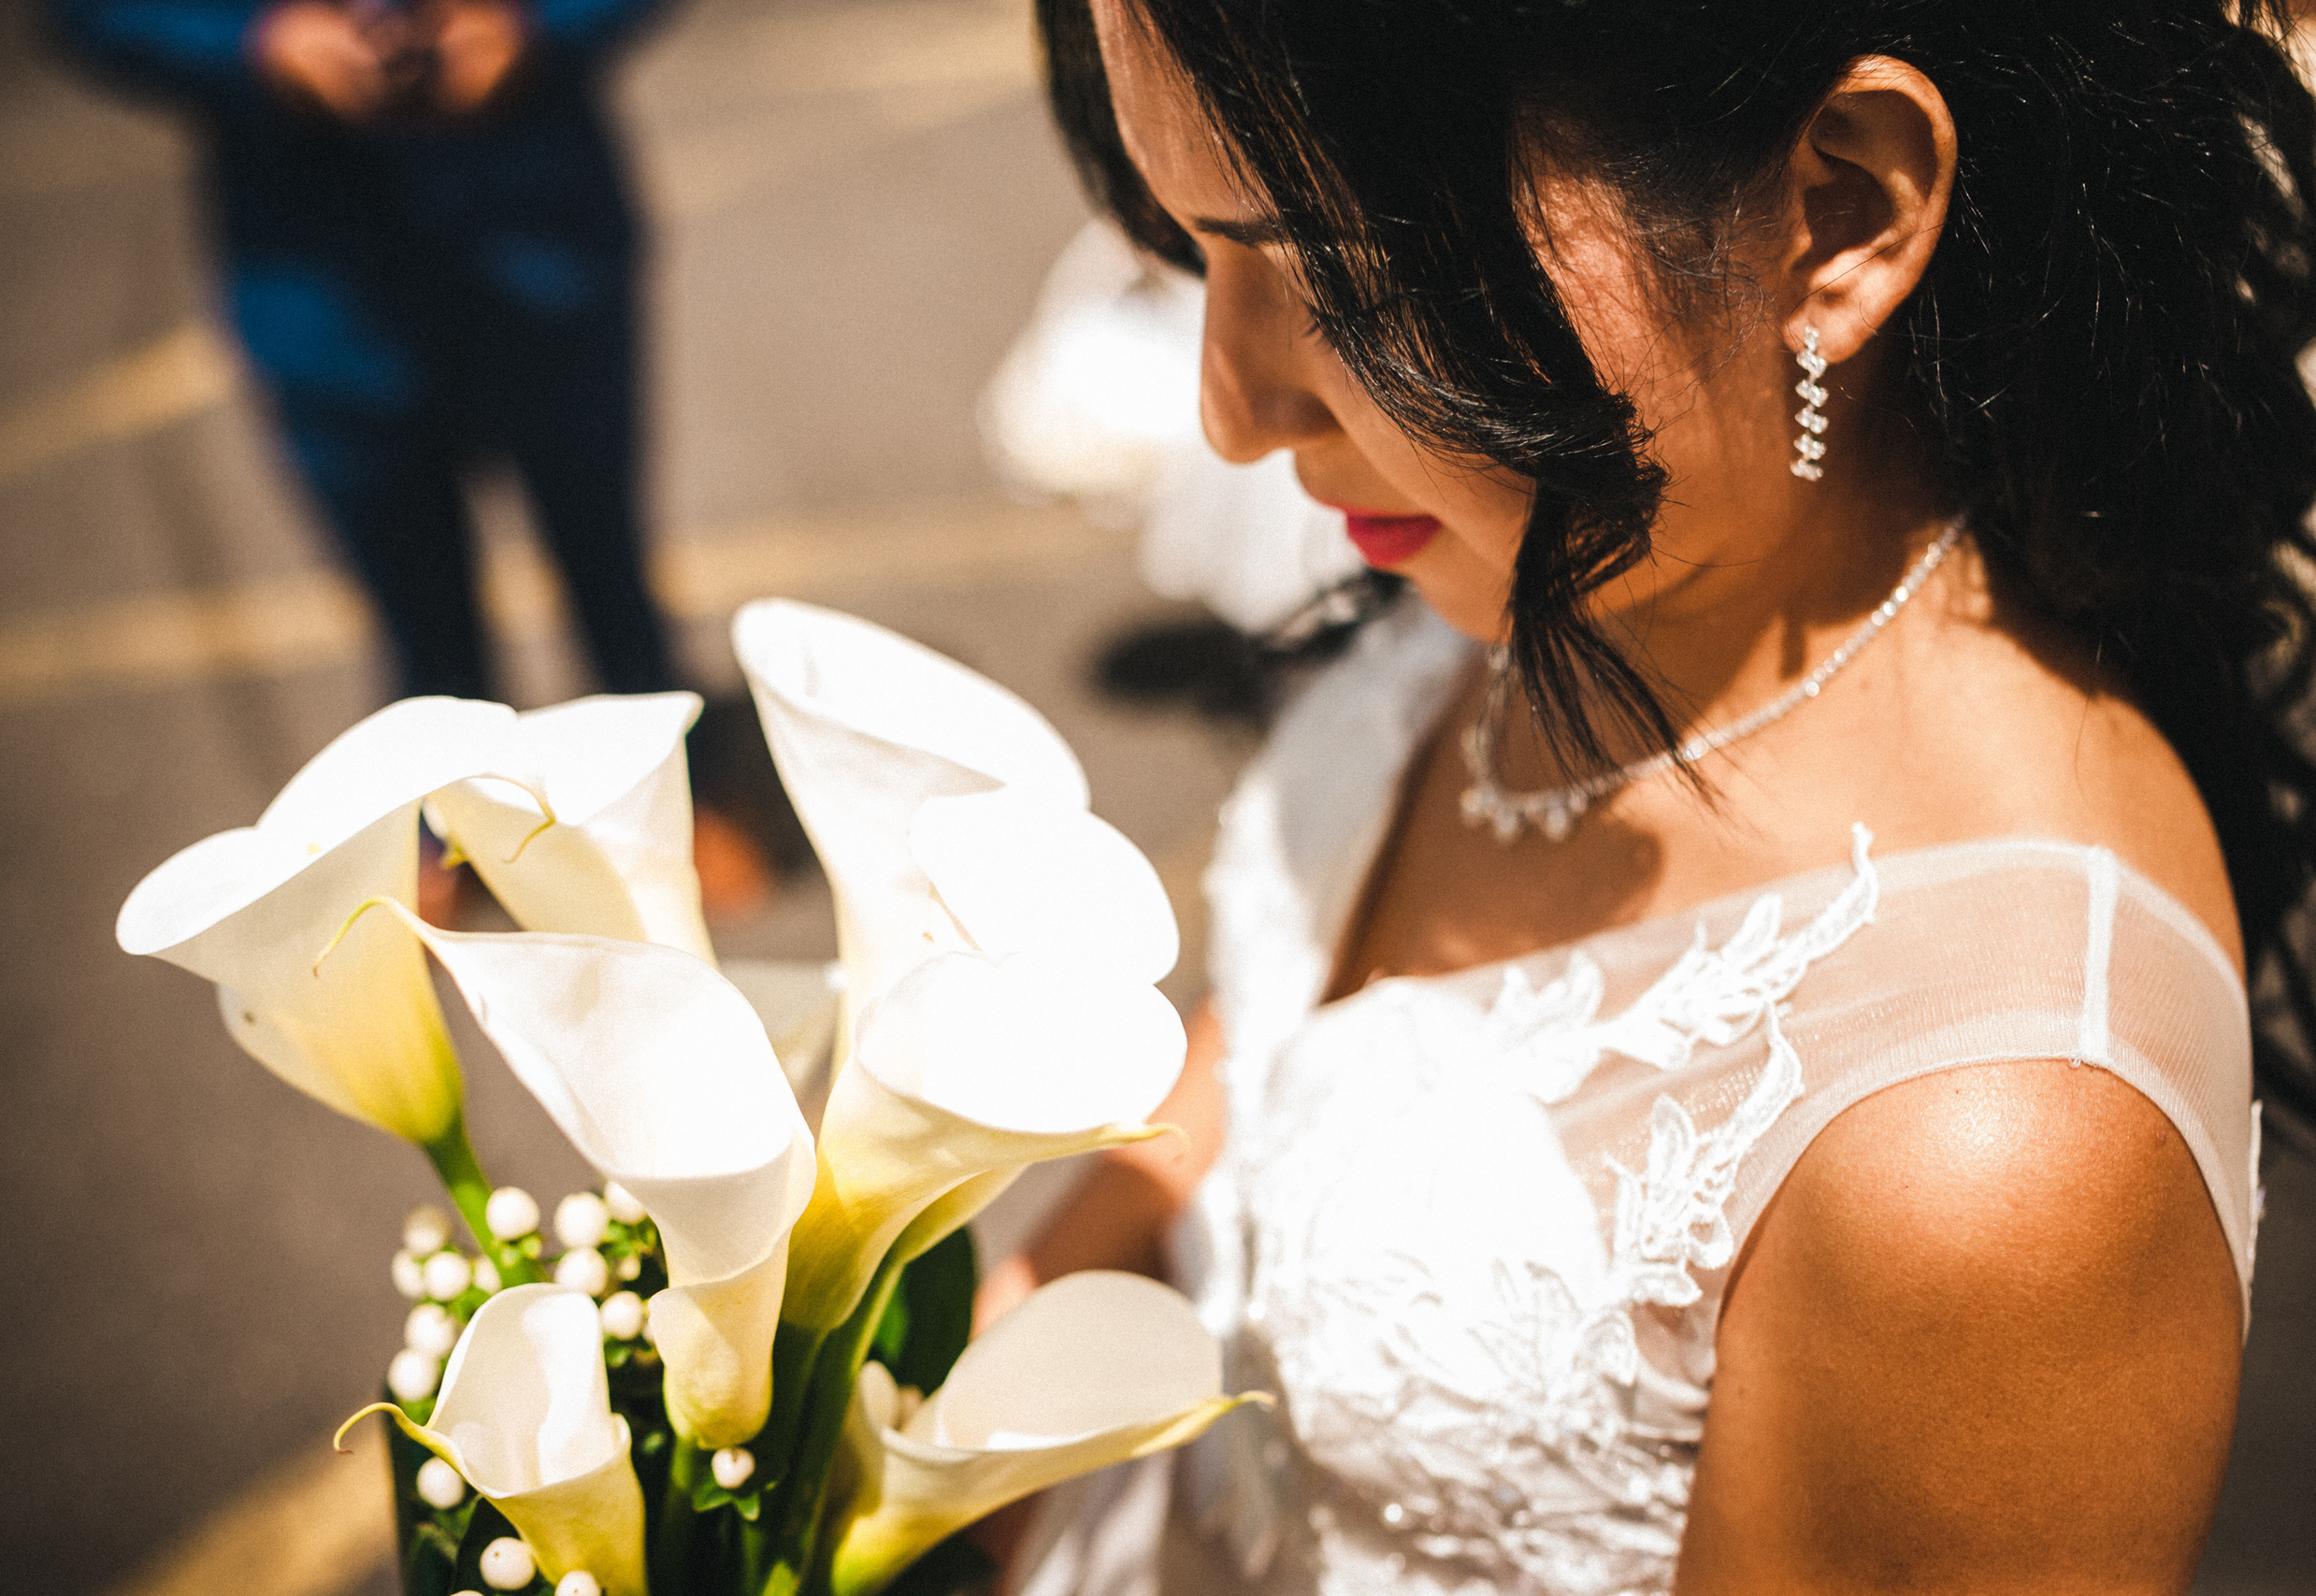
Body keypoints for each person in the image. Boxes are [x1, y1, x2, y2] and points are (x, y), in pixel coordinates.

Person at [982, 2, 2316, 1592]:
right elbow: (1281, 1048)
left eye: (1339, 267)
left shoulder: (1991, 1146)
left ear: (1841, 214)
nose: (1233, 409)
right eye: (1185, 254)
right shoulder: (1537, 575)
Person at [47, 0, 800, 913]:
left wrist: (530, 31)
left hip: (541, 242)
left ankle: (676, 790)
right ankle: (443, 818)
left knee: (606, 554)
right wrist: (259, 47)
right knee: (411, 595)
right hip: (317, 270)